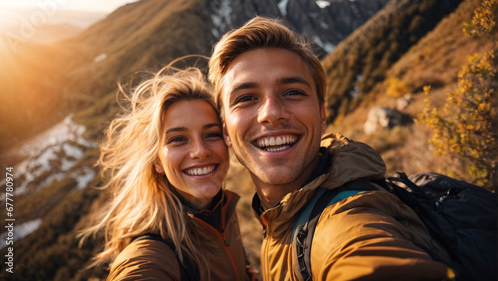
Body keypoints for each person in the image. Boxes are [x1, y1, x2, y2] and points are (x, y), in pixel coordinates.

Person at [208, 16, 455, 280]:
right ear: (226, 131)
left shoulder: (346, 221)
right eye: (246, 98)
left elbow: (362, 249)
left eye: (293, 92)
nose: (271, 113)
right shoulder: (277, 218)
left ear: (322, 115)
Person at [80, 62, 256, 281]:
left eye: (211, 134)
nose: (200, 151)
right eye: (178, 139)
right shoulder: (152, 252)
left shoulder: (221, 208)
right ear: (157, 161)